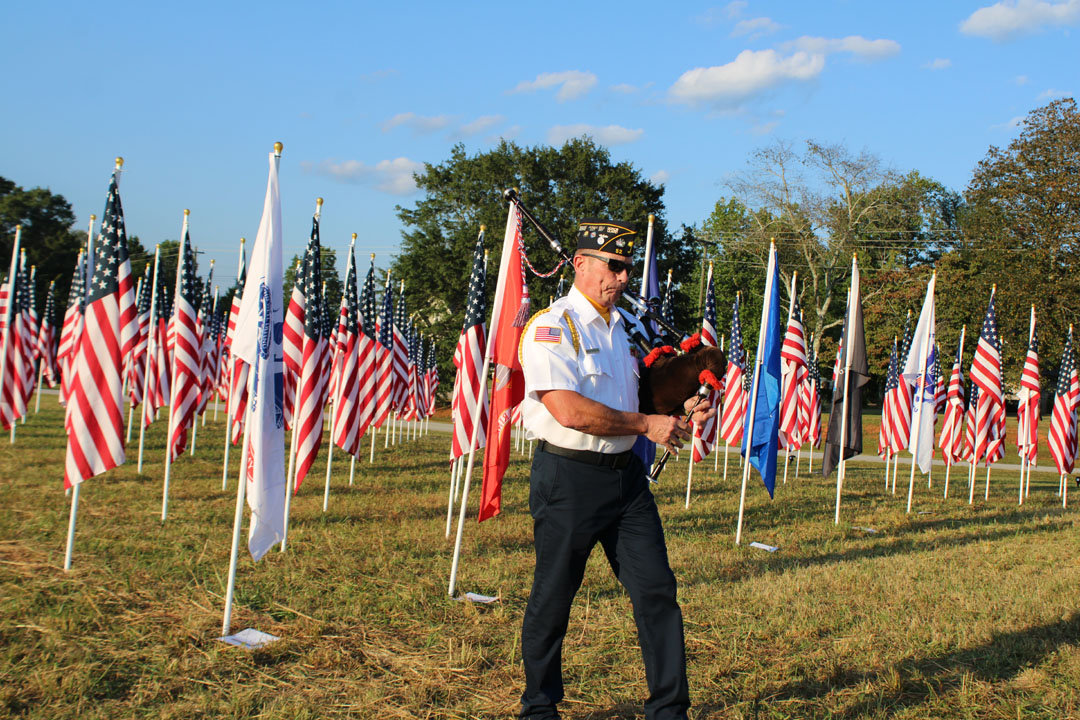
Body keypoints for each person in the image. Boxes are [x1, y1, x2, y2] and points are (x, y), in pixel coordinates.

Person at [517, 218, 715, 720]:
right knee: (554, 597)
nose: (624, 278)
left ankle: (669, 710)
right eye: (616, 265)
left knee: (656, 590)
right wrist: (647, 423)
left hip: (625, 479)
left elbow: (637, 399)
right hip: (569, 477)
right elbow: (569, 410)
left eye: (628, 268)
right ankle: (539, 708)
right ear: (580, 263)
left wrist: (682, 404)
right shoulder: (552, 326)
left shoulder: (619, 329)